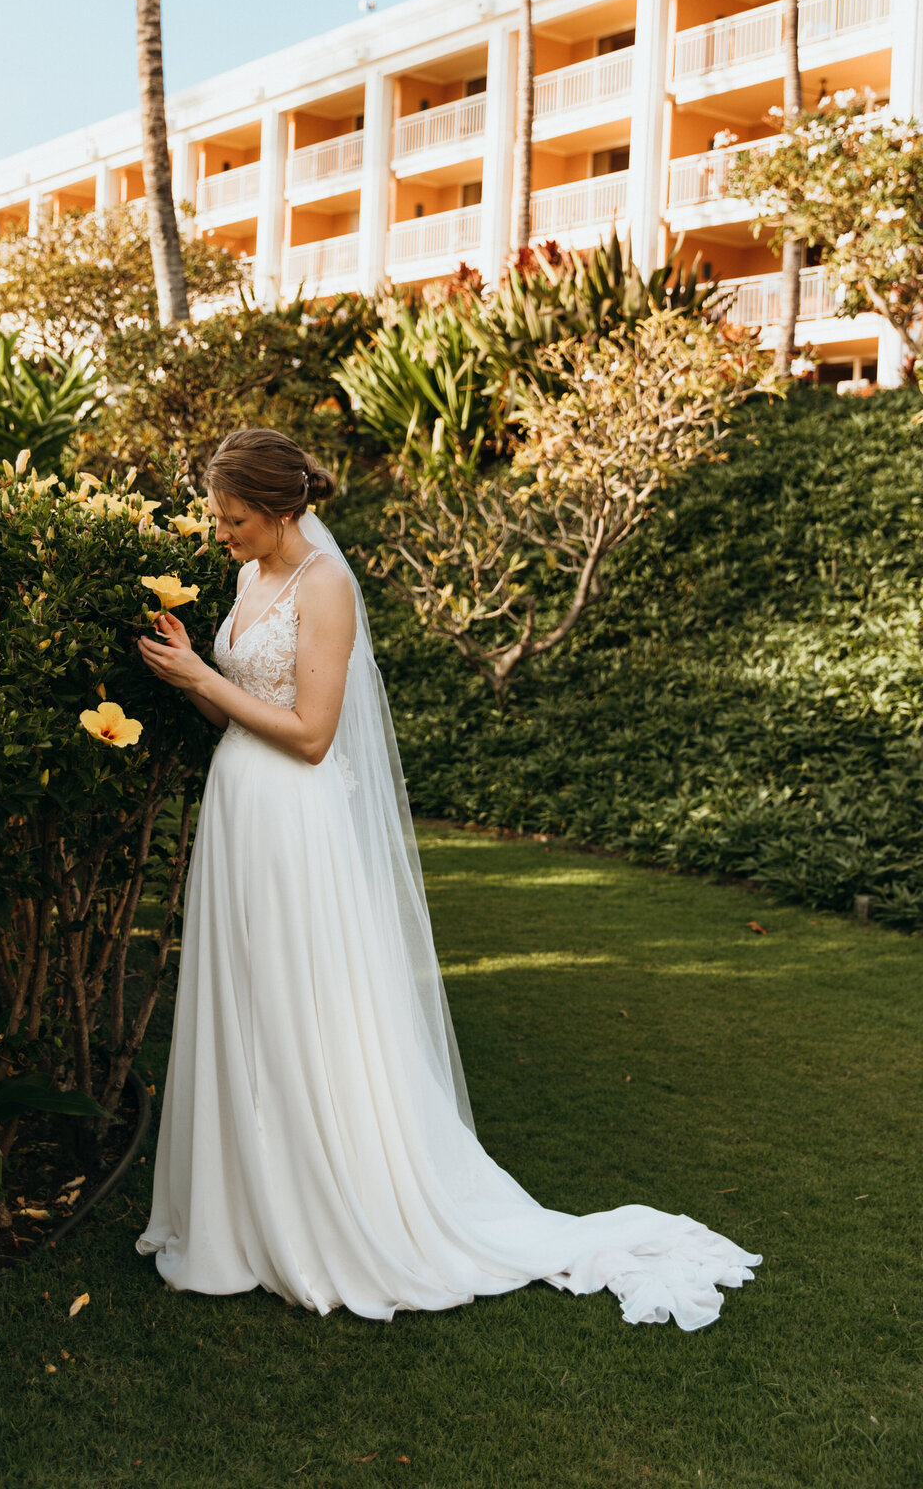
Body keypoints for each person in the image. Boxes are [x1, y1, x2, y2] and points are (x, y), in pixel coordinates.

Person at [135, 427, 760, 1327]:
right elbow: (239, 706)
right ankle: (241, 1210)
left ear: (278, 511)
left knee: (295, 1007)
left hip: (295, 828)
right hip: (241, 816)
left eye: (233, 518)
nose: (219, 532)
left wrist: (204, 673)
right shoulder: (246, 578)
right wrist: (188, 669)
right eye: (219, 517)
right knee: (246, 1004)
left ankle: (322, 1202)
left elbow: (311, 734)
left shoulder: (329, 587)